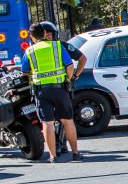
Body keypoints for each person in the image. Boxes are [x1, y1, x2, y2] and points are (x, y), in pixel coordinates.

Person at [21, 23, 82, 163]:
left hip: (41, 91)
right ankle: (75, 153)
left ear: (31, 36)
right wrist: (68, 78)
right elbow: (70, 66)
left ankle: (53, 156)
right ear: (44, 33)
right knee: (67, 121)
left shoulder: (29, 51)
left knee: (47, 123)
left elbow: (25, 71)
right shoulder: (57, 46)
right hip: (60, 88)